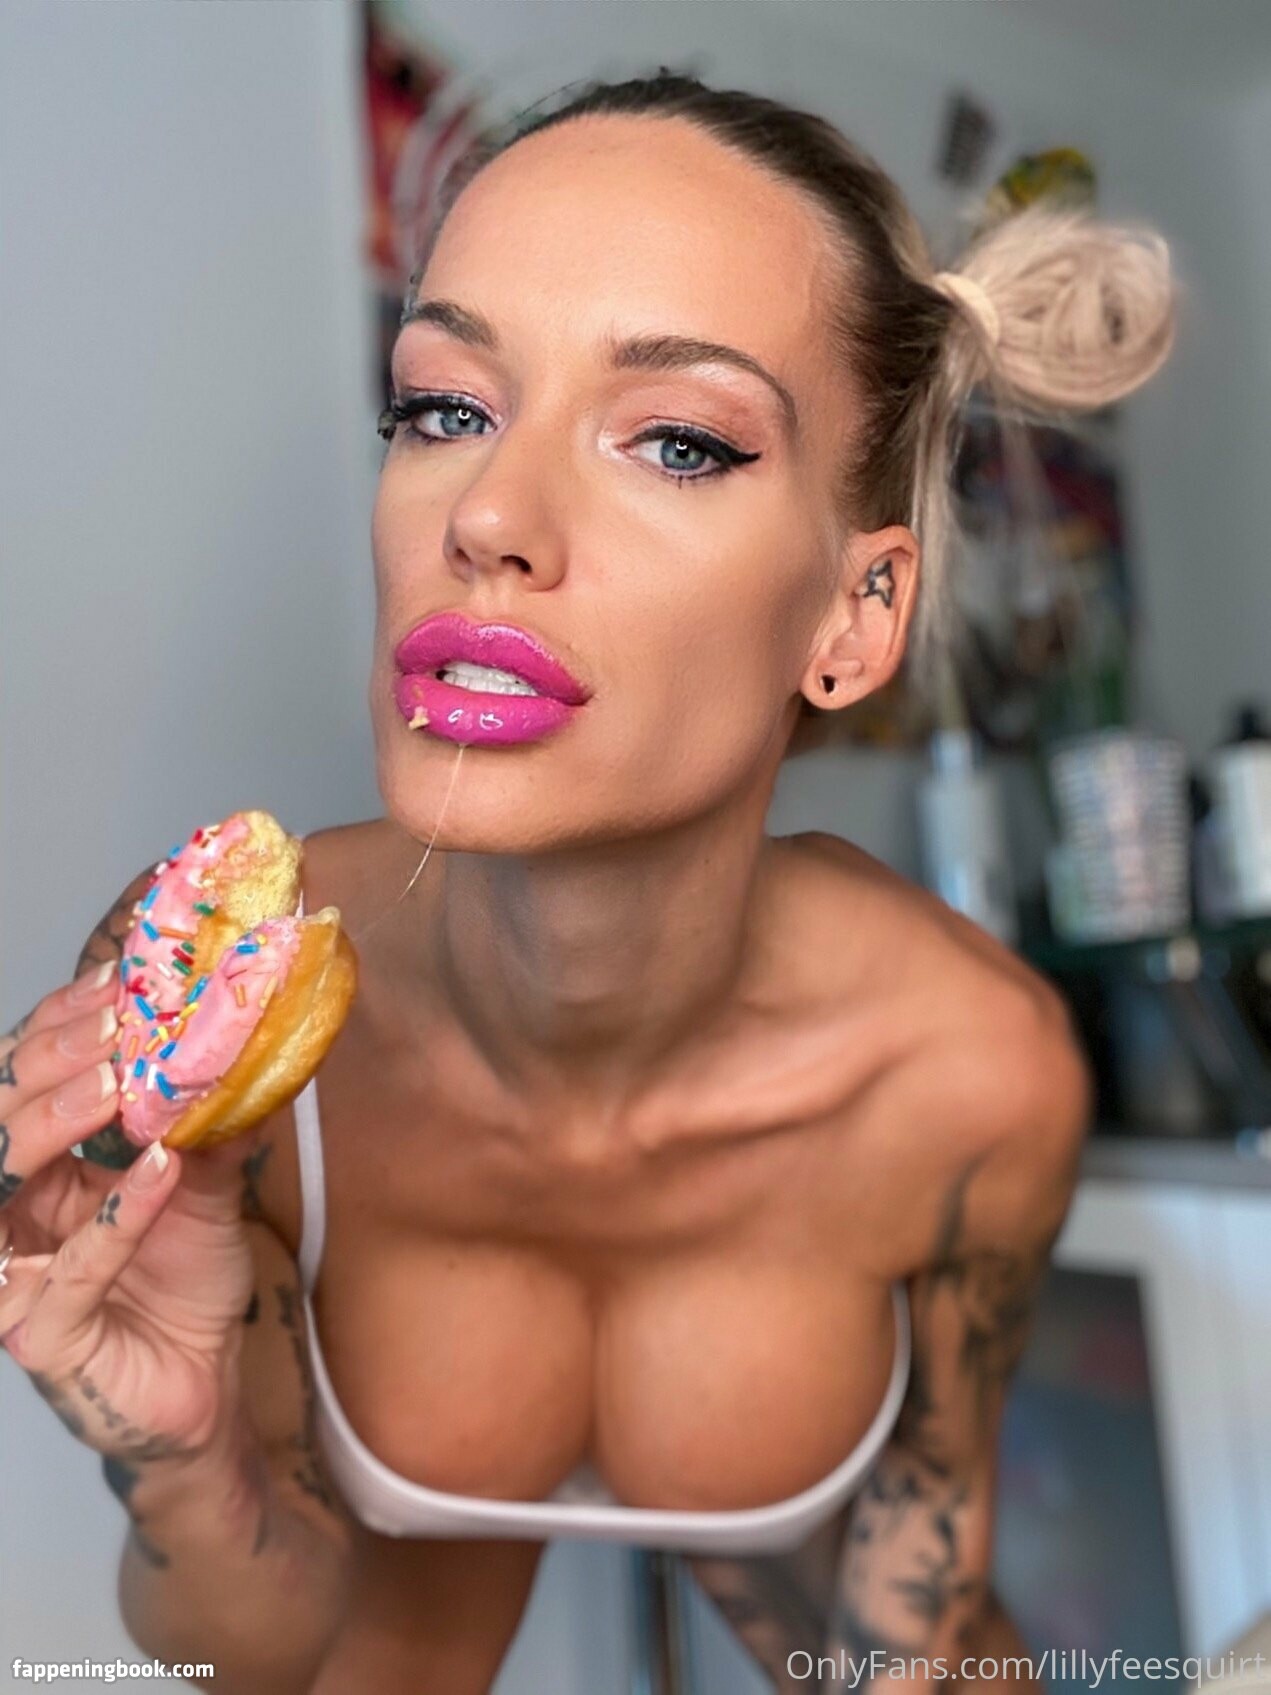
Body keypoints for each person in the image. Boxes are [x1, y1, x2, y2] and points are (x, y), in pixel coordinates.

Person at [0, 69, 1175, 1695]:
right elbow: (251, 1653)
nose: (487, 516)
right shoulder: (213, 1005)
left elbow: (910, 1619)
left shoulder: (971, 1074)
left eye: (678, 441)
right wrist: (187, 1461)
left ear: (856, 615)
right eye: (442, 409)